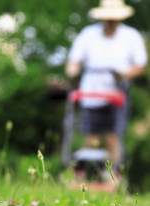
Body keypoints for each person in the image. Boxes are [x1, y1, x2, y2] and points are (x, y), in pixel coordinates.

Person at [65, 0, 148, 173]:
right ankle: (88, 174)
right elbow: (73, 60)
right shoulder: (88, 34)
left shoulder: (130, 36)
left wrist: (124, 74)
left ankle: (113, 173)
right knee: (91, 136)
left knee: (112, 136)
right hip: (90, 92)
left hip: (117, 93)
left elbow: (140, 65)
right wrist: (72, 71)